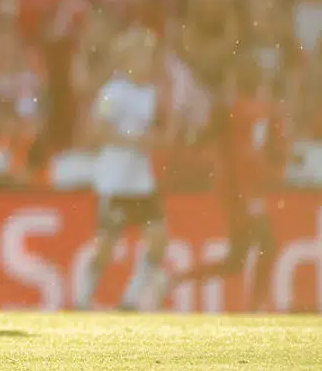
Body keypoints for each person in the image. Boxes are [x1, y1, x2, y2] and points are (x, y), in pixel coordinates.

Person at [164, 59, 285, 311]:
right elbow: (204, 137)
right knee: (268, 244)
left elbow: (263, 146)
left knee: (236, 261)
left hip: (249, 188)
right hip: (237, 189)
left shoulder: (259, 108)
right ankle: (257, 306)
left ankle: (177, 279)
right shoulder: (231, 109)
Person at [76, 27, 170, 311]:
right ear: (127, 59)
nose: (147, 61)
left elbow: (158, 134)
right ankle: (82, 299)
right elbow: (97, 132)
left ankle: (130, 299)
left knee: (158, 239)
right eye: (141, 55)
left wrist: (154, 140)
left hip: (141, 181)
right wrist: (134, 141)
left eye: (149, 55)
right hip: (115, 180)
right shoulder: (112, 93)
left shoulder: (152, 94)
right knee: (106, 246)